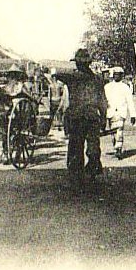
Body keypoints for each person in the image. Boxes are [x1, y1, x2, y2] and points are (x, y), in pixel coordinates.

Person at [57, 48, 108, 189]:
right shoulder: (98, 79)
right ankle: (92, 169)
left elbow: (57, 74)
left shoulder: (72, 78)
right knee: (93, 147)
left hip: (76, 118)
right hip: (92, 118)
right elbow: (102, 101)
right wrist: (103, 118)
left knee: (75, 147)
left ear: (78, 64)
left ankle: (76, 176)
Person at [104, 67, 136, 159]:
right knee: (113, 133)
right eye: (115, 74)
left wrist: (133, 115)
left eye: (119, 74)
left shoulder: (125, 88)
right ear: (113, 75)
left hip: (121, 113)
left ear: (122, 76)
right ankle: (116, 146)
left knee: (119, 131)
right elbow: (103, 100)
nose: (117, 76)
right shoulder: (107, 87)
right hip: (110, 112)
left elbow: (130, 101)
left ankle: (118, 148)